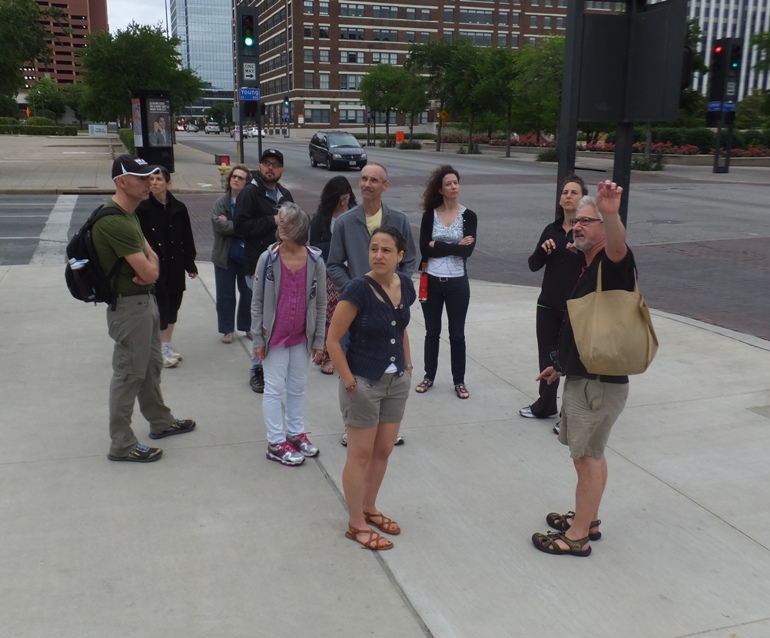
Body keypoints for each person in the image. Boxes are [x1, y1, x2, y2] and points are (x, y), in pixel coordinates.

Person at [531, 181, 635, 557]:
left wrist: (610, 214)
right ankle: (588, 518)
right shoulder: (586, 266)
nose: (576, 226)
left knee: (586, 457)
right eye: (576, 222)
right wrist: (559, 366)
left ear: (603, 231)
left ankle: (577, 536)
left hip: (599, 383)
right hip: (587, 377)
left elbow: (620, 245)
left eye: (586, 222)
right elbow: (582, 330)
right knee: (592, 453)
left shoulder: (613, 264)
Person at [92, 155, 196, 463]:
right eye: (141, 178)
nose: (148, 182)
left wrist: (150, 264)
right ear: (121, 182)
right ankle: (121, 444)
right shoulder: (113, 220)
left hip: (143, 301)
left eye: (151, 176)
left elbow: (152, 259)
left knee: (150, 368)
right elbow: (152, 270)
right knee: (128, 375)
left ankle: (160, 422)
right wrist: (150, 265)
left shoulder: (131, 215)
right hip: (128, 307)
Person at [327, 226, 416, 550]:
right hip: (364, 383)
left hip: (396, 383)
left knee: (383, 451)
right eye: (374, 249)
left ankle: (369, 507)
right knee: (359, 455)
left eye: (386, 250)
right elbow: (333, 341)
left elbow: (401, 326)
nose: (378, 255)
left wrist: (407, 364)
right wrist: (350, 383)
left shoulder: (405, 285)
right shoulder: (357, 289)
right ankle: (355, 523)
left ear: (400, 256)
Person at [252, 203, 327, 466]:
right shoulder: (268, 258)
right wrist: (258, 338)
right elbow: (257, 301)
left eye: (288, 222)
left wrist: (319, 340)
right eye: (280, 222)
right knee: (273, 389)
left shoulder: (315, 260)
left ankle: (294, 433)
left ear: (301, 227)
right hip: (275, 337)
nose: (281, 226)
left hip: (301, 338)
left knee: (297, 387)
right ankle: (275, 442)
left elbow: (320, 303)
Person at [520, 175, 587, 431]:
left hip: (576, 309)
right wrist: (542, 251)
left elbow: (598, 266)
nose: (568, 196)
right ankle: (545, 406)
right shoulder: (551, 230)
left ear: (583, 199)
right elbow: (533, 265)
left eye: (574, 192)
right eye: (565, 192)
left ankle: (570, 419)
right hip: (547, 306)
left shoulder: (587, 231)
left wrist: (580, 251)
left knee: (573, 364)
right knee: (547, 360)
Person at [414, 165, 477, 400]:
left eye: (456, 183)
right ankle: (429, 375)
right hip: (431, 280)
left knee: (457, 334)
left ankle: (459, 381)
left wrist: (436, 245)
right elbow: (423, 248)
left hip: (457, 284)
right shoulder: (430, 215)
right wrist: (454, 247)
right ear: (440, 189)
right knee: (432, 331)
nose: (454, 187)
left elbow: (467, 251)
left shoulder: (469, 216)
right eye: (449, 183)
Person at [234, 148, 293, 393]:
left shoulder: (285, 195)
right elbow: (240, 226)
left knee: (279, 318)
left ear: (281, 170)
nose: (270, 168)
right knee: (263, 318)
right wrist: (272, 221)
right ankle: (257, 370)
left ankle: (274, 366)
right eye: (266, 163)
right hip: (256, 266)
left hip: (284, 266)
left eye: (275, 164)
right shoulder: (250, 192)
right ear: (259, 167)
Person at [135, 166, 198, 368]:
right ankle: (158, 349)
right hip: (154, 267)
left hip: (176, 265)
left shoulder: (179, 208)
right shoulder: (142, 209)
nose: (153, 183)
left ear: (168, 183)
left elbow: (187, 237)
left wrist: (190, 263)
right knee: (159, 307)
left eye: (158, 179)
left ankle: (167, 343)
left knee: (173, 305)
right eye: (151, 179)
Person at [326, 163, 416, 294]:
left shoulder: (399, 220)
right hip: (358, 302)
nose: (367, 184)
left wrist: (397, 287)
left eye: (374, 180)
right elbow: (334, 265)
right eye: (364, 179)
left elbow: (409, 259)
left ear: (385, 185)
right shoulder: (344, 222)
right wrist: (352, 289)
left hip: (390, 300)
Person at [309, 176, 357, 375]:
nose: (344, 203)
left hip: (353, 270)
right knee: (331, 314)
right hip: (330, 271)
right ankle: (329, 355)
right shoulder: (322, 216)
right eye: (340, 199)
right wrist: (338, 246)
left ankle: (349, 354)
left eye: (346, 198)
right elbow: (313, 246)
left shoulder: (356, 213)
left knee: (353, 313)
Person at [211, 164, 253, 344]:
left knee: (248, 293)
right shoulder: (221, 202)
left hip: (246, 256)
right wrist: (241, 226)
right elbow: (219, 226)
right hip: (224, 256)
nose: (236, 179)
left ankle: (247, 327)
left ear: (246, 183)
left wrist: (232, 224)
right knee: (225, 295)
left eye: (240, 178)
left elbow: (253, 227)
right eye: (234, 176)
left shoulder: (251, 203)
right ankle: (227, 330)